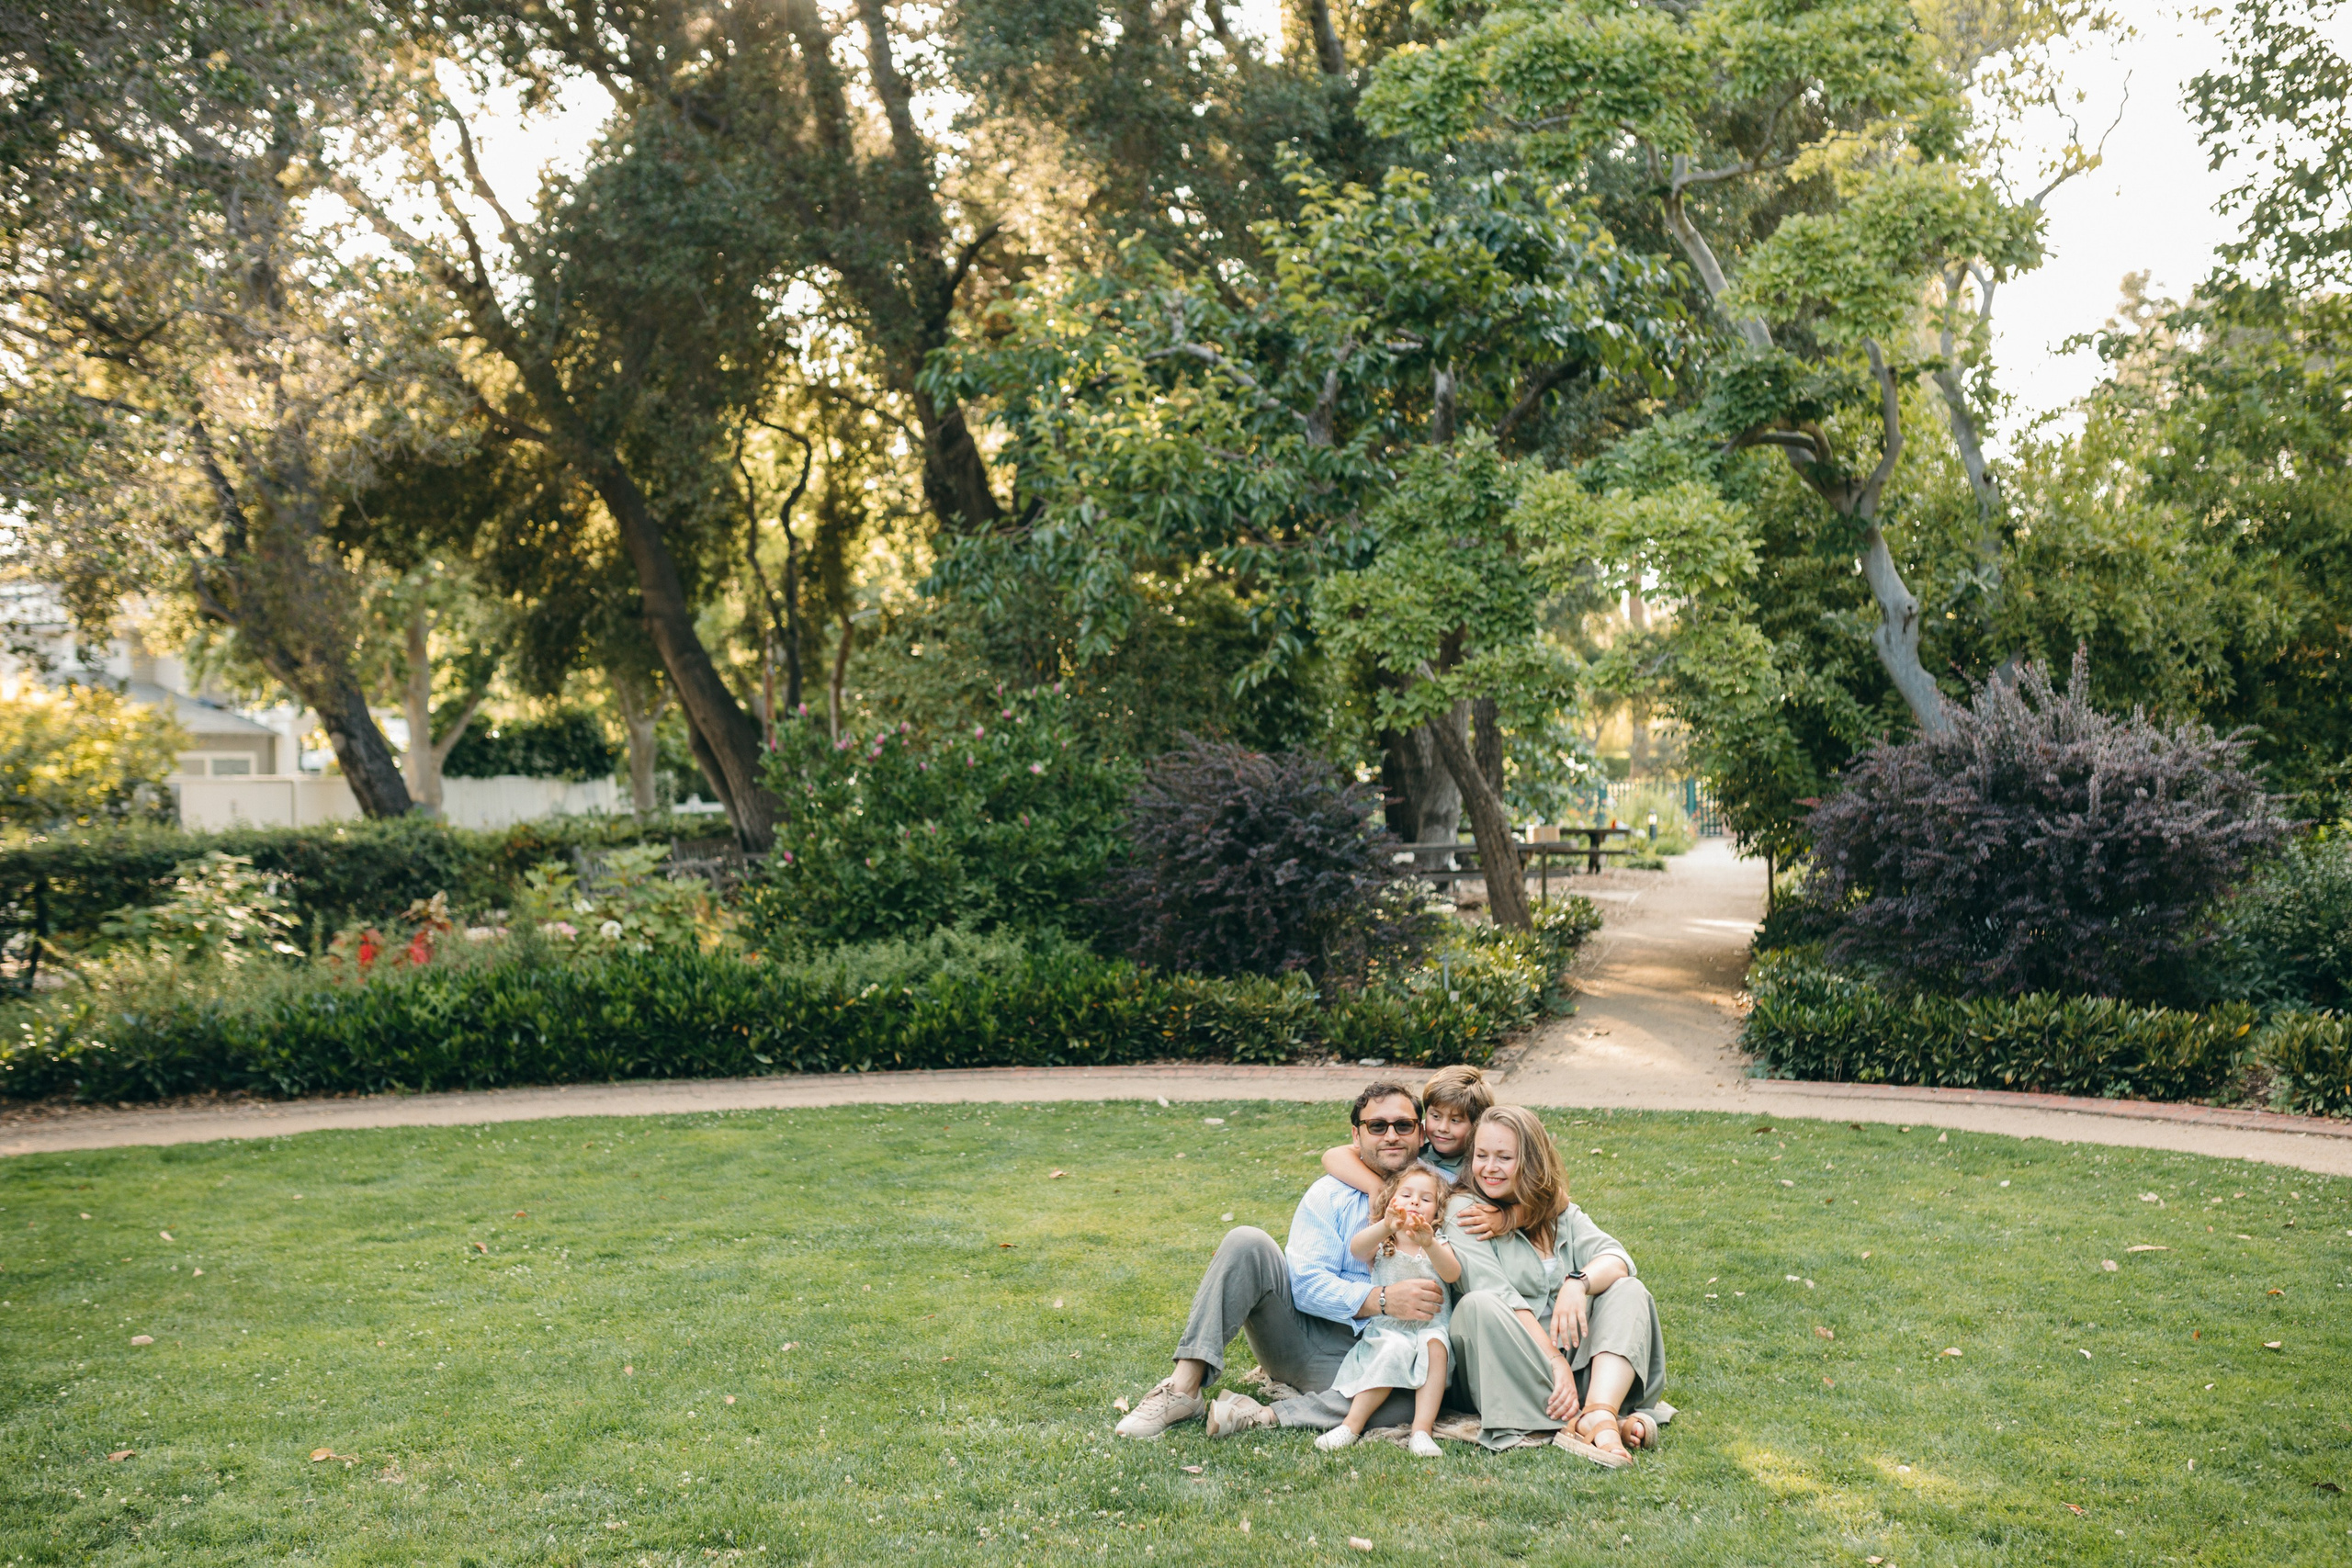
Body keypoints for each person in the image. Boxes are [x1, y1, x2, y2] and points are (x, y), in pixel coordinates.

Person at [1114, 1082, 1440, 1440]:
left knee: (1413, 1398)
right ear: (1356, 1135)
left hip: (1402, 1348)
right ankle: (1183, 1388)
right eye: (1377, 1126)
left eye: (1403, 1125)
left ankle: (1262, 1415)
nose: (1391, 1135)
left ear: (1421, 1132)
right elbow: (1306, 1285)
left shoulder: (1444, 1191)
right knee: (1247, 1241)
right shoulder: (1329, 1194)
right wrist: (1380, 1299)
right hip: (1314, 1344)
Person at [1441, 1105, 1668, 1466]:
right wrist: (1553, 1361)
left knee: (1628, 1289)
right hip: (1511, 1365)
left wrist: (1577, 1284)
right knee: (1480, 1303)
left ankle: (1598, 1410)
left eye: (1504, 1157)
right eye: (1481, 1156)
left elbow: (1617, 1258)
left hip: (1576, 1364)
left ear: (1531, 1161)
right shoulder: (1463, 1210)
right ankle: (1593, 1421)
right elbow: (1499, 1293)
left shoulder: (1556, 1211)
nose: (1489, 1168)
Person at [1317, 1164, 1461, 1458]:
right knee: (1393, 1349)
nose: (1415, 1202)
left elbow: (1452, 1273)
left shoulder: (1437, 1241)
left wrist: (1429, 1243)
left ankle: (1422, 1431)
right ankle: (1351, 1425)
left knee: (1436, 1347)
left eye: (1426, 1198)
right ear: (1392, 1201)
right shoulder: (1386, 1240)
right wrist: (1385, 1224)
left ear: (1438, 1210)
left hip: (1431, 1326)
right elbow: (1357, 1250)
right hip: (1391, 1328)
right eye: (1406, 1194)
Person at [1319, 1064, 1492, 1194]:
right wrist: (1376, 1188)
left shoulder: (1483, 1160)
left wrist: (1505, 1217)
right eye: (1436, 1116)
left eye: (1455, 1120)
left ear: (1477, 1125)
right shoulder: (1413, 1135)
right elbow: (1333, 1156)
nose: (1442, 1128)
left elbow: (1515, 1191)